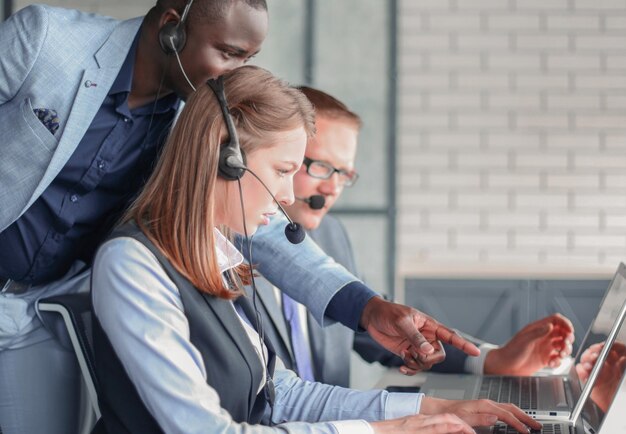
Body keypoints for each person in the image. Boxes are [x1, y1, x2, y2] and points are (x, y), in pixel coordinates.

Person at [0, 2, 483, 432]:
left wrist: (366, 308)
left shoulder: (198, 125)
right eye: (228, 53)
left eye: (246, 60)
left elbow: (263, 217)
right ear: (172, 28)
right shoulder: (45, 39)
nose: (231, 74)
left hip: (41, 306)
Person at [92, 65, 540, 434]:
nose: (289, 194)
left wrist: (428, 410)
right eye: (284, 169)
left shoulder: (218, 256)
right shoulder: (132, 264)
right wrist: (385, 431)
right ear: (225, 158)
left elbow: (281, 394)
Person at [251, 86, 576, 386]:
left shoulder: (332, 235)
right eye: (320, 166)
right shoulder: (232, 243)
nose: (332, 188)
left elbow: (372, 330)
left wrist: (491, 359)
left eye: (344, 174)